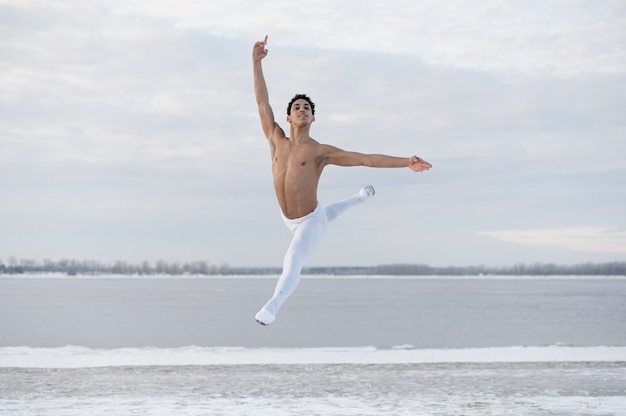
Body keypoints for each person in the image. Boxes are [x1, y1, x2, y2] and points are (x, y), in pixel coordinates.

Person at [252, 35, 432, 325]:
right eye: (296, 107)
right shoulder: (276, 140)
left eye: (306, 109)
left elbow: (365, 158)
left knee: (294, 258)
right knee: (328, 212)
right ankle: (359, 197)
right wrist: (256, 63)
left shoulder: (319, 152)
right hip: (290, 217)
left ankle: (272, 306)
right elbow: (261, 101)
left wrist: (405, 163)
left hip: (310, 220)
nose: (301, 110)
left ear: (312, 119)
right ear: (287, 117)